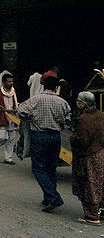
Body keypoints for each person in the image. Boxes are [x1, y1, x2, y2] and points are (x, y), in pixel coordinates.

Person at [18, 74, 71, 213]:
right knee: (51, 167)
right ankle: (48, 198)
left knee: (38, 168)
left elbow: (21, 110)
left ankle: (53, 197)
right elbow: (67, 119)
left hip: (40, 135)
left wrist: (31, 118)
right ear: (56, 87)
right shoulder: (62, 102)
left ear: (43, 85)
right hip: (55, 136)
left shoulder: (36, 99)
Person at [70, 92, 104, 225]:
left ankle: (92, 216)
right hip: (100, 153)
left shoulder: (83, 119)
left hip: (88, 156)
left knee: (89, 184)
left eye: (78, 101)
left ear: (82, 103)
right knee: (100, 183)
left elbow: (81, 140)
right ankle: (100, 212)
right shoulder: (101, 115)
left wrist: (72, 139)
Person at [0, 73, 19, 164]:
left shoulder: (13, 92)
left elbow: (16, 104)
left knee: (11, 139)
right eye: (9, 81)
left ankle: (8, 158)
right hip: (2, 117)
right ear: (4, 82)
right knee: (2, 137)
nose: (11, 83)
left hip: (12, 118)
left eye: (12, 81)